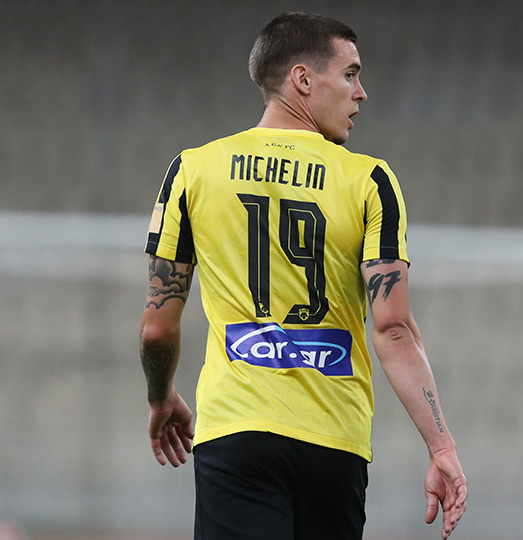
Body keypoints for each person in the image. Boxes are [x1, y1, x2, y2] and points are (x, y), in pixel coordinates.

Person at [138, 12, 467, 540]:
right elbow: (394, 330)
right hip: (333, 443)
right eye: (350, 74)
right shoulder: (370, 180)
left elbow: (157, 328)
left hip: (238, 431)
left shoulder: (192, 170)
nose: (361, 93)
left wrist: (161, 397)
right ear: (303, 79)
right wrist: (441, 446)